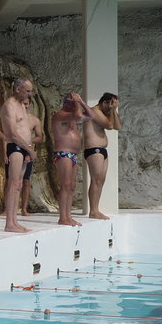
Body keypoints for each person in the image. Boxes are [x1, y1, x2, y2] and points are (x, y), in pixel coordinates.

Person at [50, 91, 92, 227]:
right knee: (66, 185)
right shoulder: (60, 115)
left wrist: (81, 102)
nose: (74, 104)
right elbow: (79, 114)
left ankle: (68, 216)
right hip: (63, 154)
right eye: (72, 102)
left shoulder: (72, 117)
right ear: (66, 103)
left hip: (72, 155)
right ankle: (63, 217)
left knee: (72, 186)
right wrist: (77, 101)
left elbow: (91, 115)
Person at [0, 78, 35, 233]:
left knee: (19, 185)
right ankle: (9, 223)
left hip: (23, 149)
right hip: (15, 147)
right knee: (13, 184)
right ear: (18, 89)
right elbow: (13, 133)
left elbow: (24, 128)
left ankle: (14, 220)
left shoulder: (22, 105)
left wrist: (28, 149)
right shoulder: (9, 106)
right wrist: (29, 149)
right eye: (27, 90)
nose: (30, 94)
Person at [84, 92, 120, 220]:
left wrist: (113, 111)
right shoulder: (94, 111)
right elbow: (109, 126)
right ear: (104, 102)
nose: (111, 107)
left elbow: (117, 126)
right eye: (110, 104)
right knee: (96, 179)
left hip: (102, 150)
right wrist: (113, 110)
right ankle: (93, 210)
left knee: (101, 180)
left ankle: (96, 209)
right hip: (94, 150)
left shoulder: (106, 113)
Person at [20, 98, 42, 216]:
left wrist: (28, 141)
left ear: (29, 104)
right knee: (10, 180)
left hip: (28, 151)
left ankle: (24, 208)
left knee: (26, 180)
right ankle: (8, 210)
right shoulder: (14, 118)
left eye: (26, 104)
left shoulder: (34, 120)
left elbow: (40, 137)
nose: (24, 106)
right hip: (14, 150)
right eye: (22, 103)